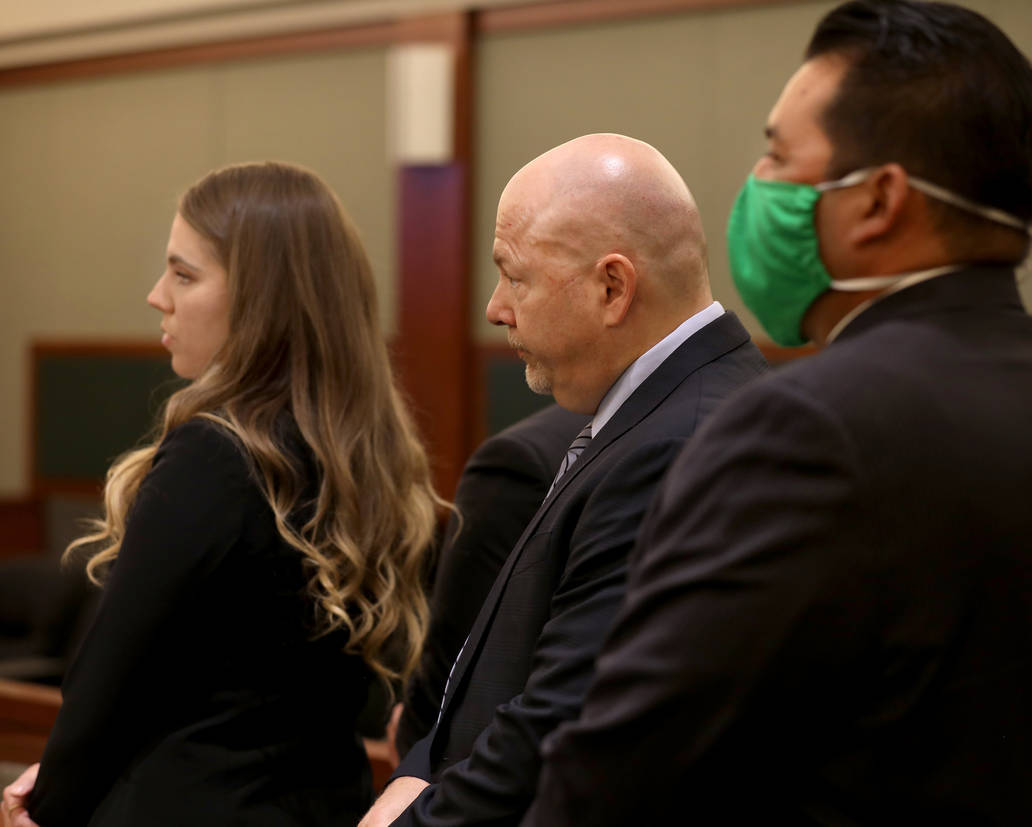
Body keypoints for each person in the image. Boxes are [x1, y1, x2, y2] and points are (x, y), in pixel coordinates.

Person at [524, 3, 1032, 825]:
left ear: (879, 200)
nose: (757, 184)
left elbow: (621, 775)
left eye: (779, 154)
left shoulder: (808, 429)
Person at [2, 161, 442, 827]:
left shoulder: (216, 453)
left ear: (262, 298)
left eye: (184, 274)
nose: (158, 295)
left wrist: (47, 806)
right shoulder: (370, 460)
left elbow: (108, 679)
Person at [359, 133, 767, 826]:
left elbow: (559, 723)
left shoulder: (679, 442)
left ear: (612, 287)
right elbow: (492, 674)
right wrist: (420, 769)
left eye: (515, 276)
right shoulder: (651, 408)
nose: (495, 307)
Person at [392, 403, 589, 759]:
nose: (514, 343)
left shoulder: (518, 461)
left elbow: (453, 672)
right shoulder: (712, 409)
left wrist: (411, 765)